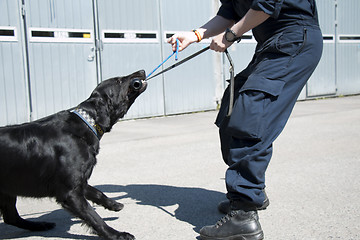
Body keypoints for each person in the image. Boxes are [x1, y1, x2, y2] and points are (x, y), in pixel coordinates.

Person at [168, 0, 322, 239]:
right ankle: (250, 194)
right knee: (232, 109)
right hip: (271, 43)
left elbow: (265, 3)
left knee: (249, 115)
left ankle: (244, 213)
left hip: (293, 37)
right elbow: (229, 13)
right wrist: (195, 35)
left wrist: (230, 36)